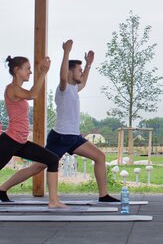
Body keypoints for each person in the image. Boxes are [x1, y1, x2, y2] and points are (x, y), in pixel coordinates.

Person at [43, 40, 118, 202]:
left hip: (73, 137)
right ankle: (3, 188)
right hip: (60, 137)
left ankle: (103, 195)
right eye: (79, 70)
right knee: (39, 166)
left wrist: (88, 64)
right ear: (70, 73)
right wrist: (66, 52)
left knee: (100, 157)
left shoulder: (74, 89)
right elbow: (62, 76)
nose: (81, 73)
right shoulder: (63, 88)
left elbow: (83, 82)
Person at [0, 55, 66, 208]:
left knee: (52, 159)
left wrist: (42, 72)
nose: (30, 72)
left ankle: (54, 200)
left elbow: (31, 93)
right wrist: (43, 72)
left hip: (20, 142)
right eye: (28, 69)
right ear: (17, 70)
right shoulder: (12, 89)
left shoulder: (18, 89)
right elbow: (33, 94)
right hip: (9, 142)